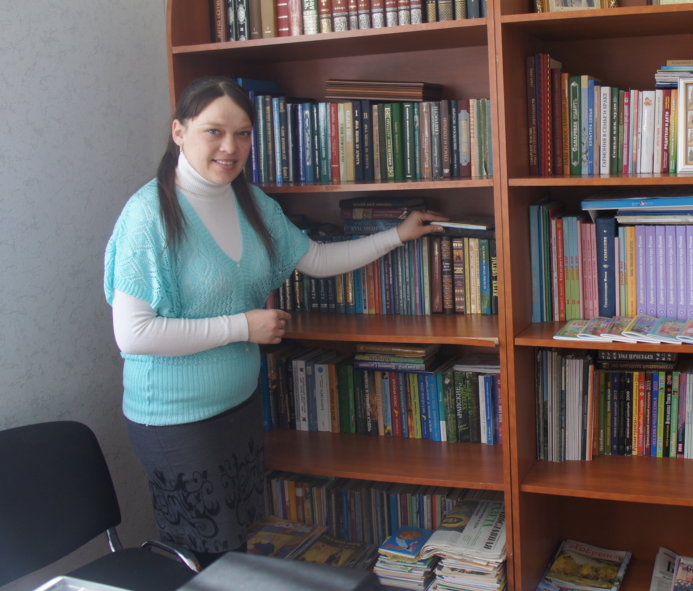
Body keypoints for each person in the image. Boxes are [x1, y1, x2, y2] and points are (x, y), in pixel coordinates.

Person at [104, 77, 446, 566]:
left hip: (239, 408)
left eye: (243, 133)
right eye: (214, 131)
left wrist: (397, 235)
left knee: (238, 548)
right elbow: (133, 334)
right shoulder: (148, 215)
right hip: (176, 422)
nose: (230, 147)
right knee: (210, 558)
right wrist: (243, 327)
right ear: (179, 132)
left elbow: (317, 259)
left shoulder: (251, 201)